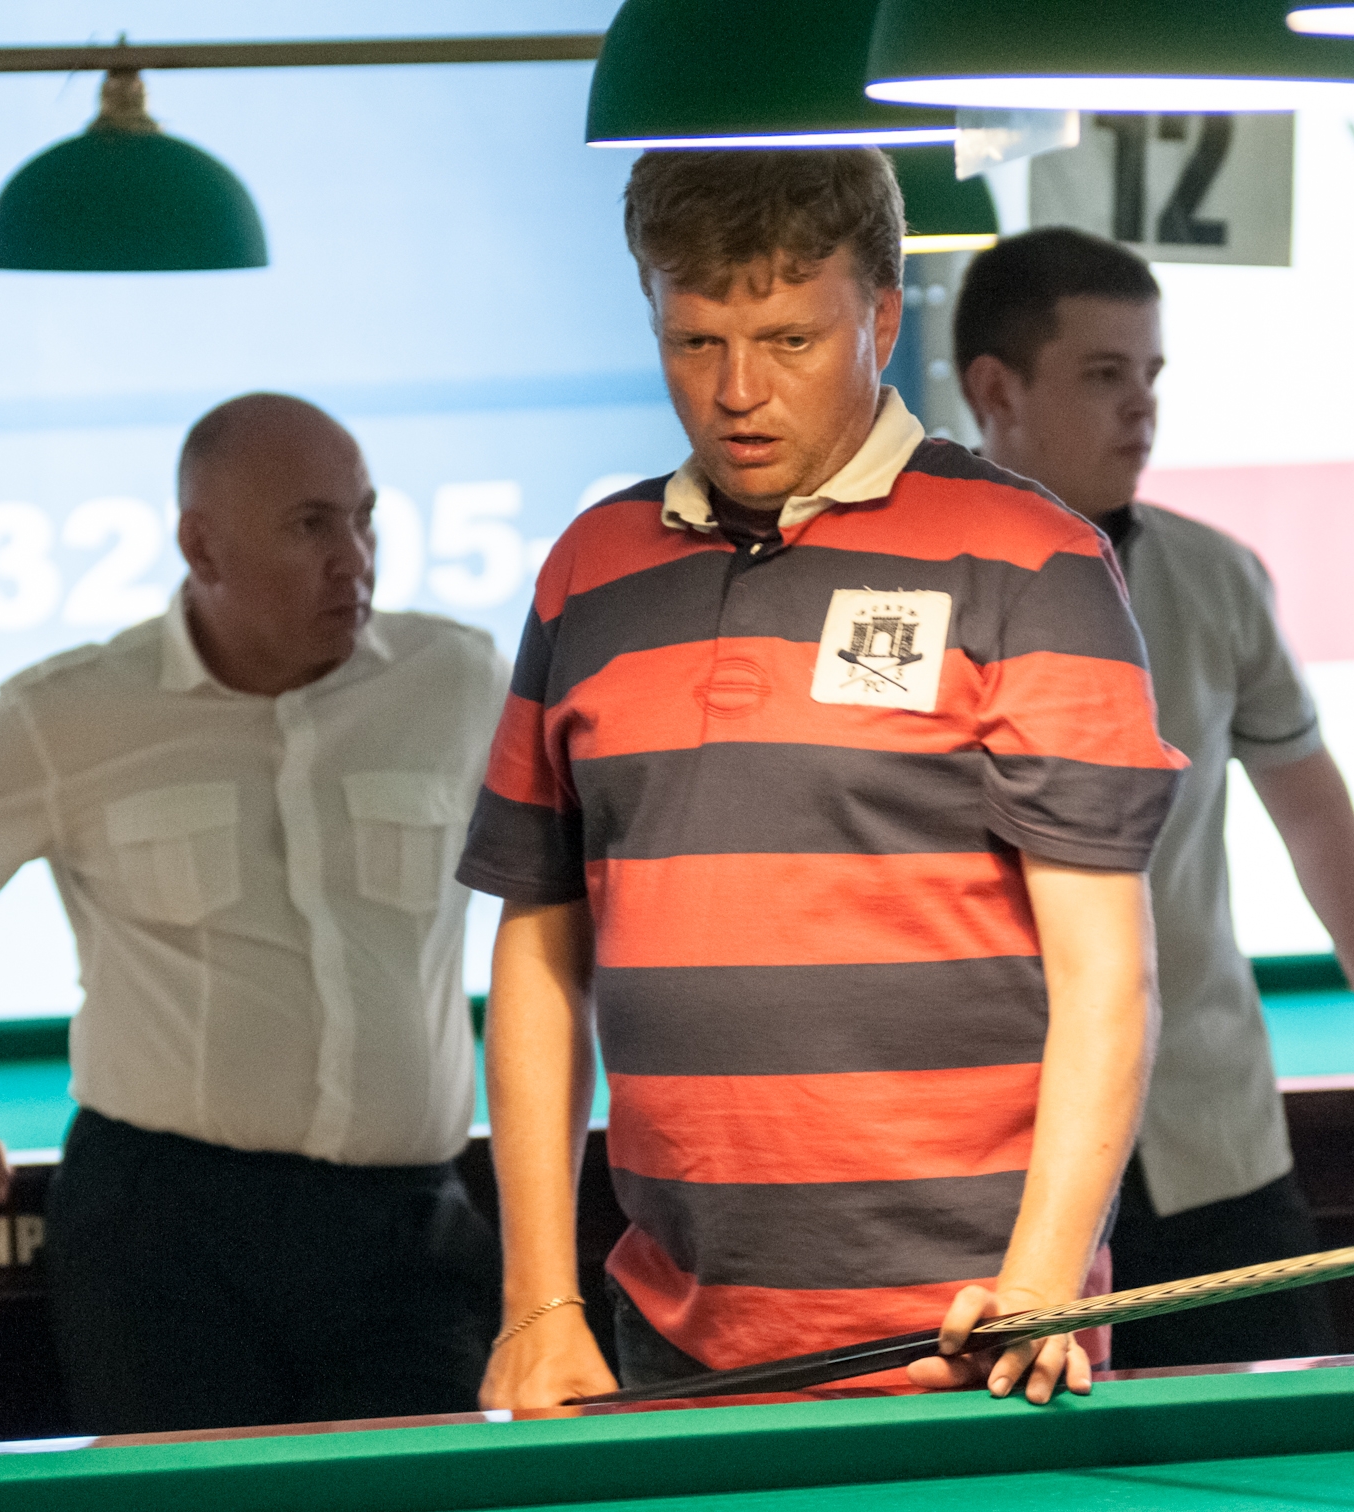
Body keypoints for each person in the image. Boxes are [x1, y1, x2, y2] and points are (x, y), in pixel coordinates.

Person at [458, 150, 1187, 1411]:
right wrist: (538, 1299)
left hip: (973, 1343)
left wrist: (1041, 1280)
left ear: (883, 321)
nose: (737, 391)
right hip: (667, 1334)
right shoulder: (591, 568)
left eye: (789, 339)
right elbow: (539, 944)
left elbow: (1107, 978)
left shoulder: (1033, 560)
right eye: (694, 342)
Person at [0, 393, 510, 1432]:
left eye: (364, 519)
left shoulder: (460, 682)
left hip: (407, 1230)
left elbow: (569, 883)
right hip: (163, 1237)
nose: (354, 560)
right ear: (202, 546)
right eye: (311, 526)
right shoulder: (70, 710)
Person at [955, 229, 1354, 1370]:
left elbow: (1313, 813)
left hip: (1210, 1139)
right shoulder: (903, 587)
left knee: (1294, 1441)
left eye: (1151, 374)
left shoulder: (1217, 576)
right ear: (997, 391)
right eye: (1103, 374)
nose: (1141, 406)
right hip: (985, 1159)